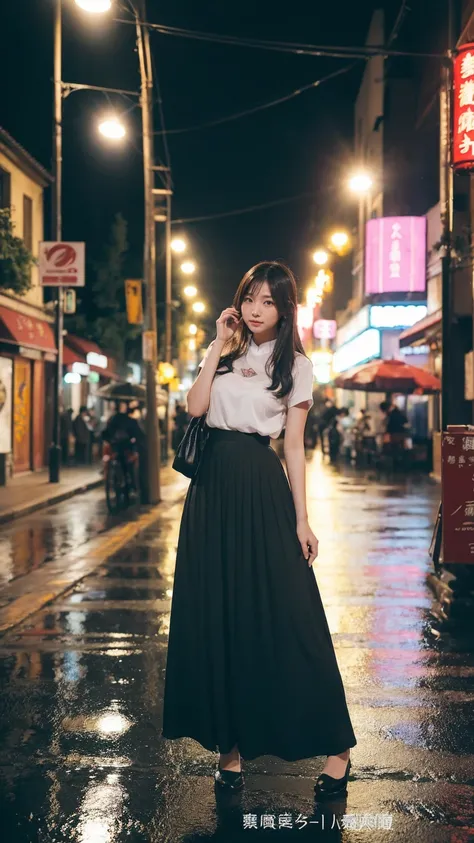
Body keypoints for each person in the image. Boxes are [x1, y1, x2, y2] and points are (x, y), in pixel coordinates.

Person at [161, 261, 356, 799]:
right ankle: (230, 752)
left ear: (284, 309)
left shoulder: (296, 365)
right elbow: (195, 407)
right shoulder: (224, 352)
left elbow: (293, 446)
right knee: (218, 614)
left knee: (290, 609)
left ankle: (337, 748)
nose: (255, 308)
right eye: (250, 296)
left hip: (261, 486)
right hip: (211, 493)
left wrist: (302, 518)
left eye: (268, 301)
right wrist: (214, 348)